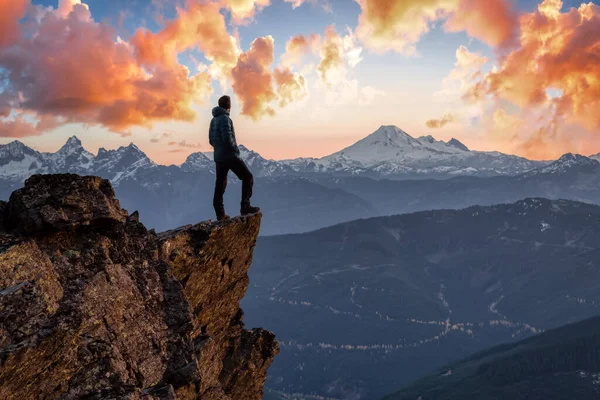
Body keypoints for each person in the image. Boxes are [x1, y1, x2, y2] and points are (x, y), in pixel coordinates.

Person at [209, 95, 260, 221]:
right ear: (229, 107)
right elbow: (227, 138)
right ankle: (245, 206)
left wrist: (218, 148)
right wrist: (235, 149)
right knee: (247, 177)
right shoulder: (225, 119)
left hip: (219, 157)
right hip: (229, 155)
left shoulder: (213, 120)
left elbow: (211, 140)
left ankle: (220, 214)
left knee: (220, 184)